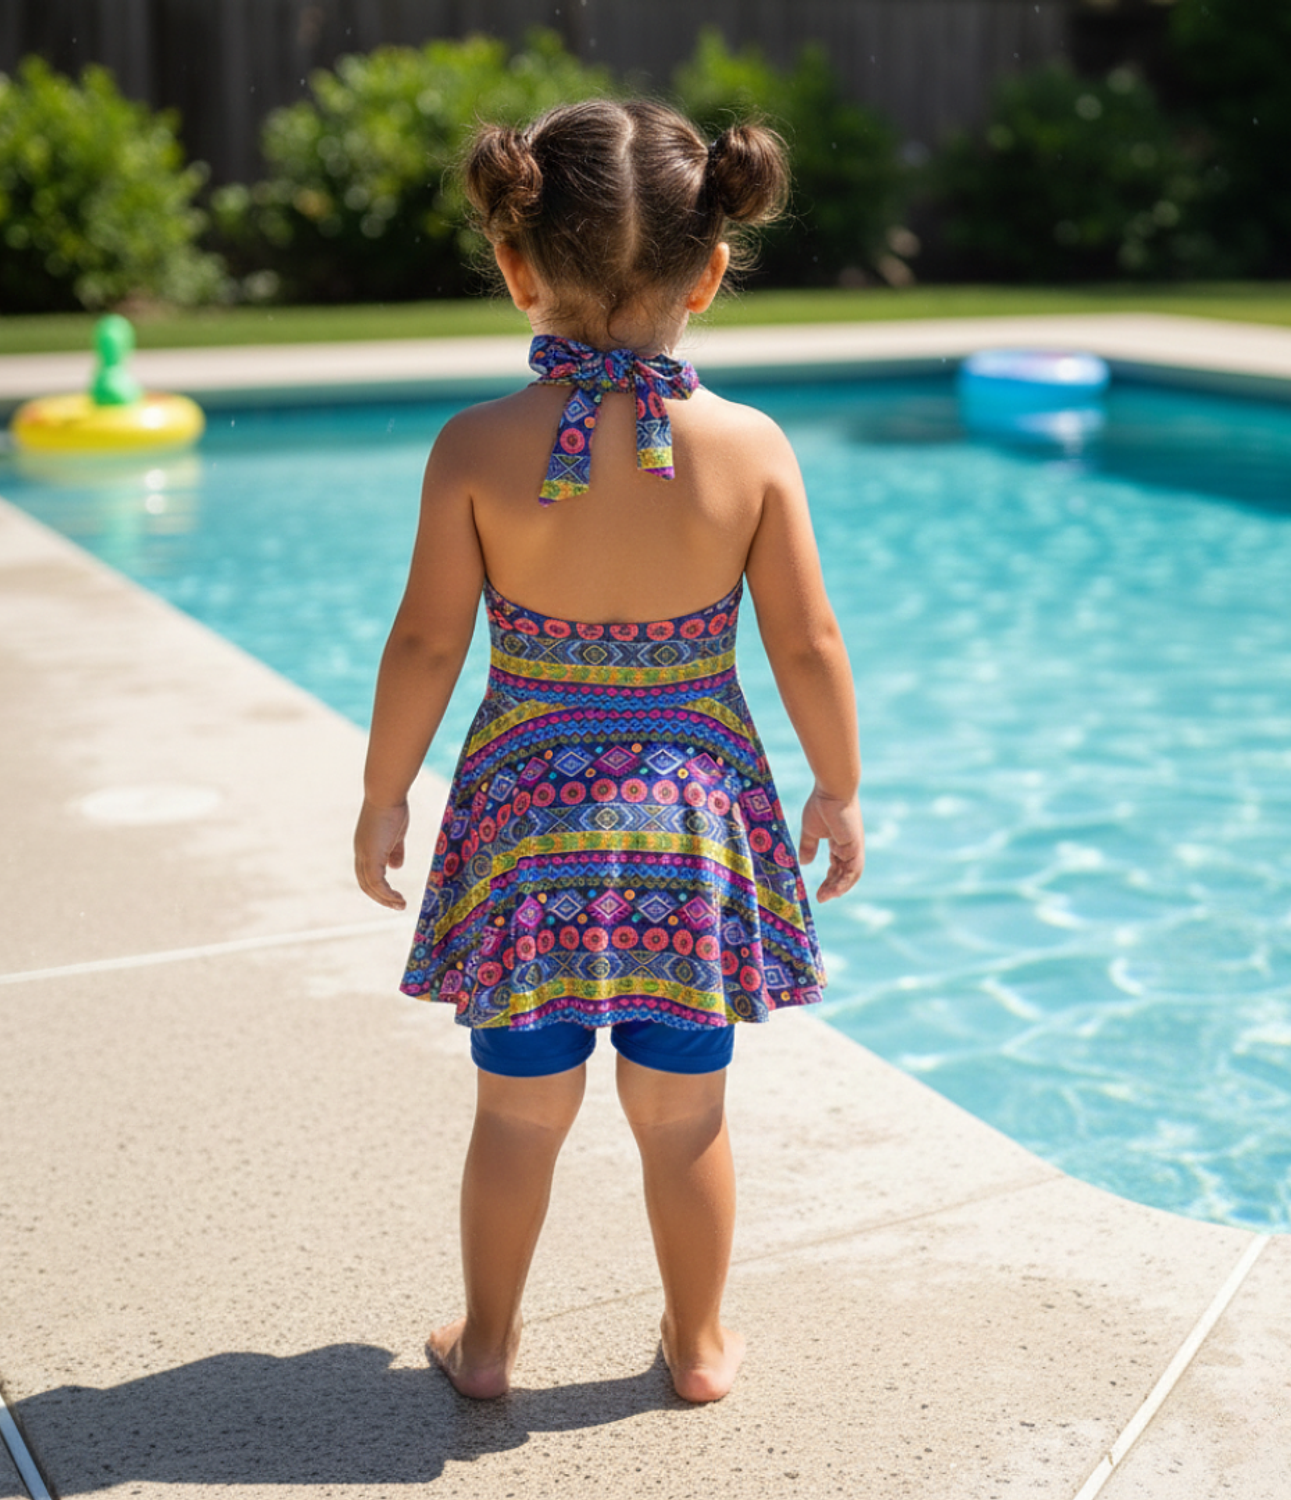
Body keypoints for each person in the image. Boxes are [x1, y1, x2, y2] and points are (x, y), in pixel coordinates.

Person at [353, 98, 863, 1405]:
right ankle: (696, 1348)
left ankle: (486, 1347)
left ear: (517, 269)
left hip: (529, 829)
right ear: (712, 267)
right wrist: (839, 786)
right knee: (684, 1115)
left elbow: (424, 644)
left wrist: (382, 793)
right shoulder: (749, 449)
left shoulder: (476, 447)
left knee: (518, 1117)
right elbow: (805, 642)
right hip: (688, 827)